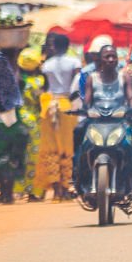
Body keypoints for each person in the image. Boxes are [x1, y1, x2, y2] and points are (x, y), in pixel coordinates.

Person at [80, 45, 132, 197]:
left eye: (113, 56)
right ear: (100, 59)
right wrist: (85, 110)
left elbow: (130, 97)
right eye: (107, 57)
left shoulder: (123, 77)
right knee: (81, 142)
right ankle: (78, 180)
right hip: (97, 123)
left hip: (119, 122)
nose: (111, 59)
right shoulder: (92, 79)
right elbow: (87, 101)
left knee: (130, 146)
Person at [38, 34, 80, 200]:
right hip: (66, 104)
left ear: (54, 46)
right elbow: (77, 85)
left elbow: (45, 87)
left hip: (49, 106)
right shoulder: (74, 62)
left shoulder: (46, 64)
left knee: (51, 148)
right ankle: (65, 185)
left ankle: (56, 189)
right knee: (67, 147)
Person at [15, 47, 45, 200]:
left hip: (19, 119)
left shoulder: (18, 79)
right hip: (35, 121)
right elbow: (41, 103)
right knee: (35, 157)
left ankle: (18, 189)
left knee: (21, 156)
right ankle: (35, 190)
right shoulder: (40, 81)